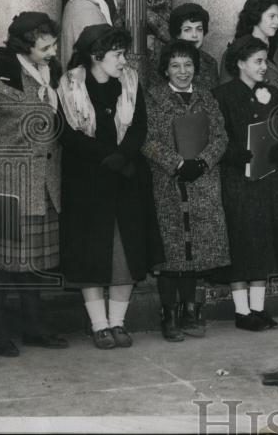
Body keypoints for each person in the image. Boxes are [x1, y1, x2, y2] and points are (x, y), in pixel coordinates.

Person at [0, 12, 68, 357]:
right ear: (24, 46)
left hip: (43, 185)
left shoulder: (51, 73)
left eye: (54, 44)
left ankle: (34, 328)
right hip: (2, 183)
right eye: (45, 46)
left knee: (30, 263)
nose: (52, 51)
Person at [57, 24, 163, 350]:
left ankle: (118, 322)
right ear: (96, 55)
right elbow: (68, 134)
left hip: (127, 177)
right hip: (86, 180)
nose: (123, 60)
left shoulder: (130, 81)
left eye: (123, 53)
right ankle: (98, 325)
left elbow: (140, 125)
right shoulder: (69, 84)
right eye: (117, 54)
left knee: (125, 253)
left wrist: (123, 156)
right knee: (90, 254)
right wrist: (107, 157)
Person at [142, 40, 230, 342]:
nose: (183, 71)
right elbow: (148, 139)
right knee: (172, 253)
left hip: (202, 182)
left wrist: (202, 162)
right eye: (176, 65)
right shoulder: (153, 98)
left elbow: (221, 136)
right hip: (168, 183)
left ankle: (191, 310)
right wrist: (177, 163)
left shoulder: (206, 97)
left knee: (197, 252)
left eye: (188, 65)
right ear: (165, 68)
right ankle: (168, 314)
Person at [212, 36, 278, 332]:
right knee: (241, 241)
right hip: (237, 180)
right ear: (240, 64)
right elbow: (216, 137)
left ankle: (258, 308)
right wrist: (235, 154)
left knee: (264, 243)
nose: (264, 67)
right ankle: (241, 311)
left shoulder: (271, 93)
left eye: (265, 61)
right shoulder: (221, 95)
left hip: (267, 178)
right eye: (258, 61)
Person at [168, 3, 219, 90]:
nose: (195, 35)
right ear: (177, 34)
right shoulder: (165, 60)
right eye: (187, 30)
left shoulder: (210, 62)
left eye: (199, 29)